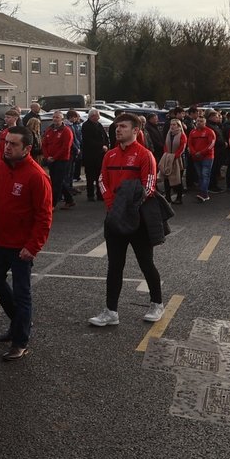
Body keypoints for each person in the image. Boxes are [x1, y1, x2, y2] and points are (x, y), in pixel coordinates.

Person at [0, 126, 51, 361]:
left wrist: (33, 246)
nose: (7, 147)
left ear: (27, 148)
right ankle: (19, 322)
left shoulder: (37, 176)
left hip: (21, 247)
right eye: (6, 142)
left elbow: (44, 216)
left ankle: (20, 341)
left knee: (22, 293)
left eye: (13, 144)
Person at [88, 114, 167, 326]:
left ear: (135, 130)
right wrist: (113, 205)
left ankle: (157, 303)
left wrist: (128, 206)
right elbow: (102, 180)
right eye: (116, 126)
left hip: (137, 219)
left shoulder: (145, 155)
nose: (118, 129)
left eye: (123, 126)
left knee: (146, 263)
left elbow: (149, 187)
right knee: (114, 266)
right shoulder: (110, 155)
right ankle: (111, 311)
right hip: (114, 217)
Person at [40, 116, 75, 209]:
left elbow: (65, 147)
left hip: (62, 160)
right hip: (51, 160)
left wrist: (55, 157)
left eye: (57, 117)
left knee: (57, 182)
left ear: (62, 119)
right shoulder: (49, 130)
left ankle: (52, 204)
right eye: (54, 117)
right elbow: (44, 144)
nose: (55, 119)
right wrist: (47, 156)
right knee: (57, 181)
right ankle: (69, 199)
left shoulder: (66, 131)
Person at [79, 109, 109, 201]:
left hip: (100, 156)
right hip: (90, 156)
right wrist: (101, 146)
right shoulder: (86, 126)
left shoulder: (99, 125)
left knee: (99, 176)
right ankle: (90, 195)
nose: (99, 118)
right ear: (92, 116)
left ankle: (100, 195)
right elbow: (88, 141)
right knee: (90, 177)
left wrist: (106, 145)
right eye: (97, 116)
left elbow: (104, 137)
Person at [186, 115, 217, 202]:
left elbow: (211, 144)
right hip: (196, 157)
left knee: (205, 175)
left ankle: (204, 193)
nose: (199, 123)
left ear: (205, 122)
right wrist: (194, 152)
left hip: (207, 157)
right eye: (198, 121)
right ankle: (202, 191)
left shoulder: (209, 132)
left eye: (201, 121)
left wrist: (201, 152)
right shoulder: (193, 132)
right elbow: (189, 143)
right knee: (200, 175)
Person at [159, 118, 187, 205]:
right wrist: (167, 154)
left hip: (177, 159)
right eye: (171, 124)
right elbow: (165, 145)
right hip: (168, 158)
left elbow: (182, 148)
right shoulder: (168, 134)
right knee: (166, 178)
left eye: (174, 125)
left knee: (177, 179)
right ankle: (168, 197)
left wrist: (174, 156)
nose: (172, 126)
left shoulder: (182, 135)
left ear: (179, 126)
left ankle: (179, 197)